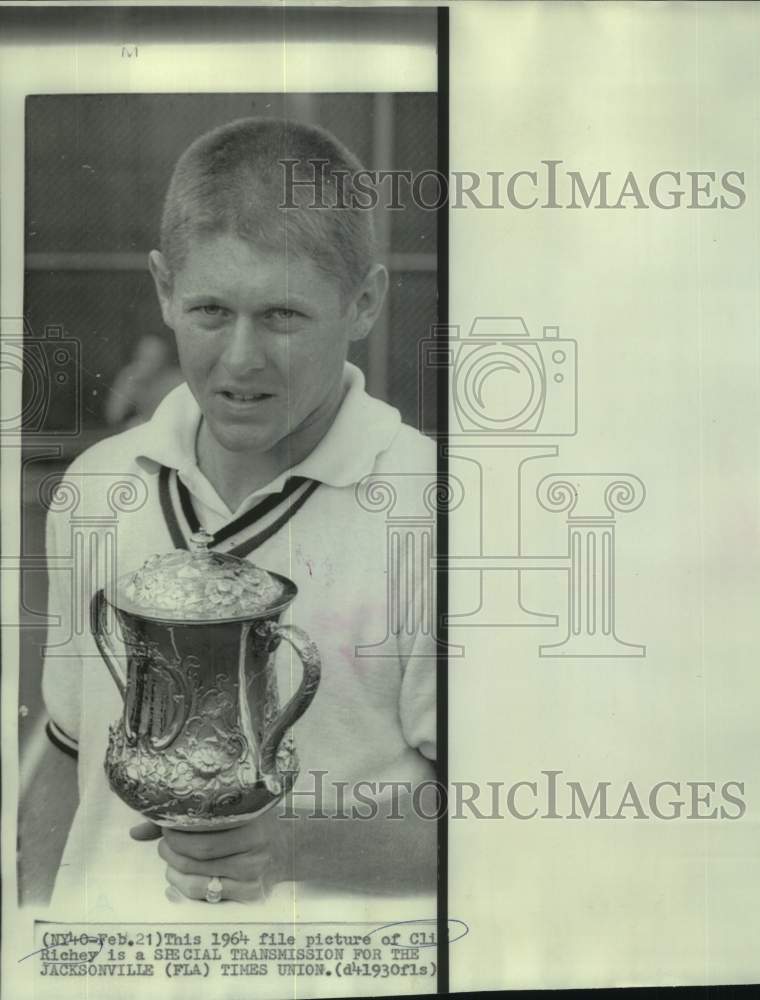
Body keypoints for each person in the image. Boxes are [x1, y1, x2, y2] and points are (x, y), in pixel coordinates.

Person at [41, 117, 437, 909]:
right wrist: (36, 925)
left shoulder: (438, 513)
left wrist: (292, 845)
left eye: (284, 316)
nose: (241, 359)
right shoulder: (95, 486)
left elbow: (516, 824)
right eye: (211, 311)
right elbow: (65, 757)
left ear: (364, 302)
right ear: (162, 287)